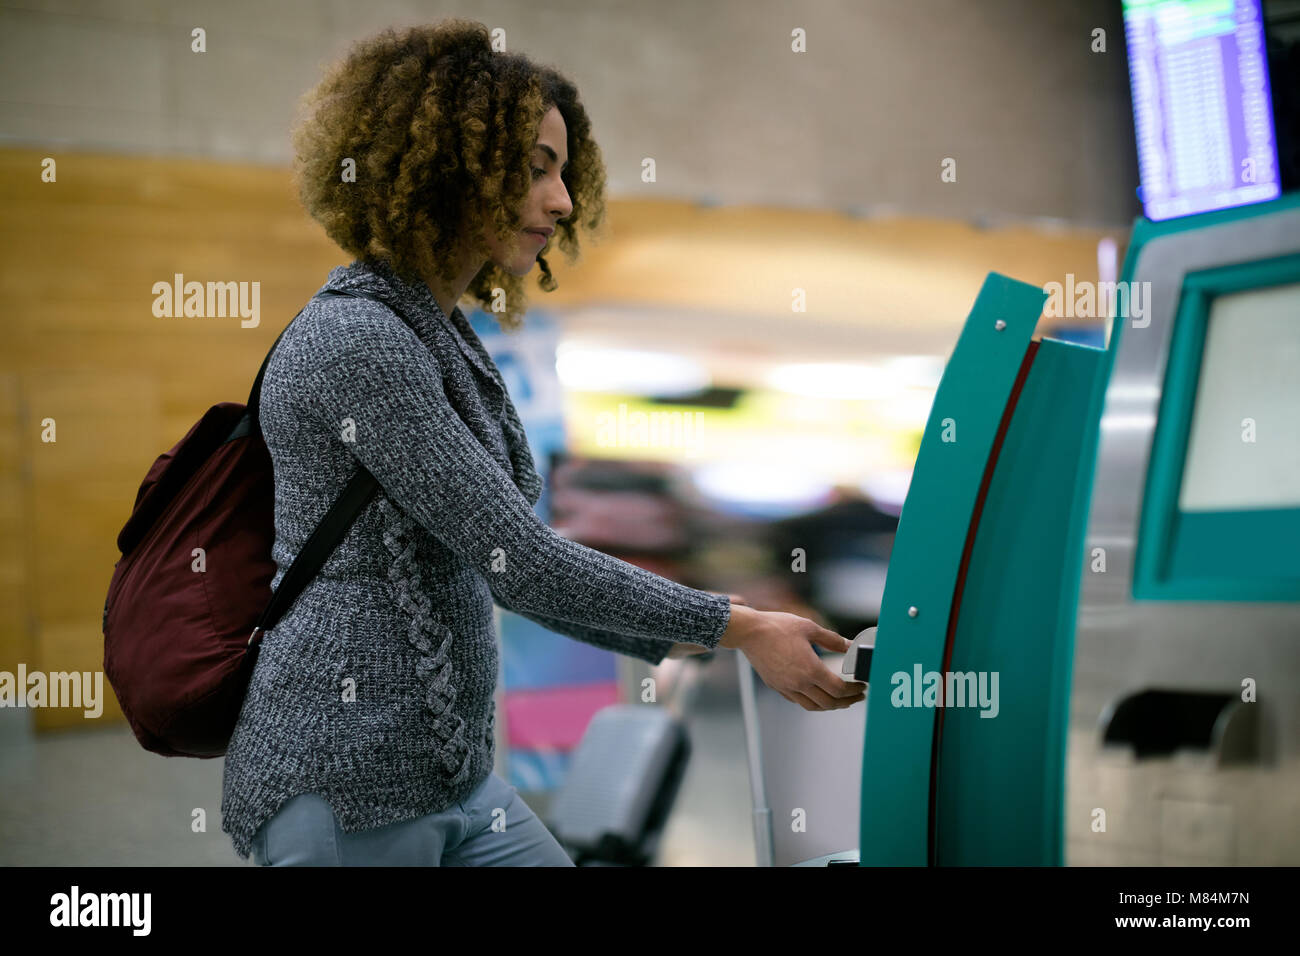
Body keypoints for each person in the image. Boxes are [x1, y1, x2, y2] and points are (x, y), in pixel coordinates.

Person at [221, 18, 865, 867]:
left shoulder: (439, 329)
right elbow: (516, 559)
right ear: (448, 171)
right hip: (340, 782)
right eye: (533, 171)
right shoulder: (360, 342)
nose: (561, 202)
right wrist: (735, 626)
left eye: (563, 171)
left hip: (451, 778)